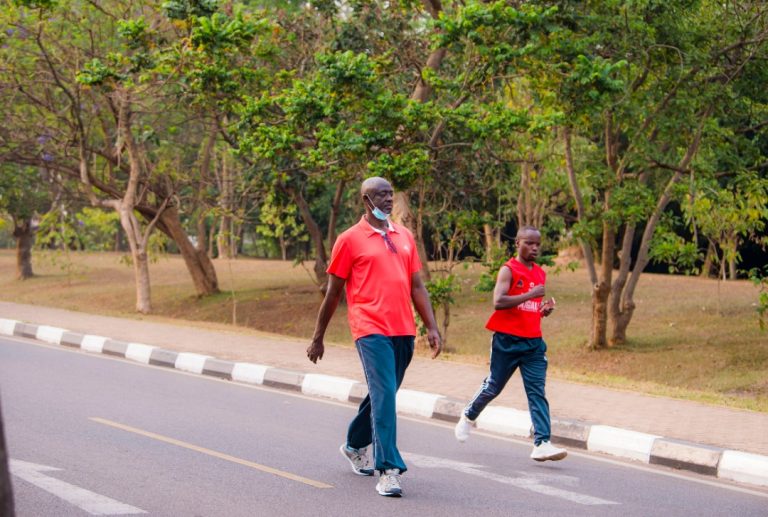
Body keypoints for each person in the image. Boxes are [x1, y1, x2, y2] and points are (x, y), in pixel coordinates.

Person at [307, 176, 442, 497]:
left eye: (390, 195)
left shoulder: (404, 236)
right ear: (366, 201)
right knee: (384, 397)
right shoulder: (349, 239)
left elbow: (417, 286)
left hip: (403, 330)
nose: (387, 201)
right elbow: (333, 292)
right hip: (369, 329)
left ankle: (354, 444)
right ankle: (388, 470)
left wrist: (432, 326)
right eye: (380, 196)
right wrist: (318, 336)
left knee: (384, 395)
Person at [454, 226, 567, 462]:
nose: (534, 247)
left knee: (537, 391)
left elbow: (530, 308)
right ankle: (468, 415)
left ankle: (542, 443)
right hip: (506, 340)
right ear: (517, 243)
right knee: (494, 386)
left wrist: (542, 310)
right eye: (529, 243)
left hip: (533, 343)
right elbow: (499, 301)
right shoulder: (508, 270)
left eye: (538, 244)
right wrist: (530, 295)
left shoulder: (540, 273)